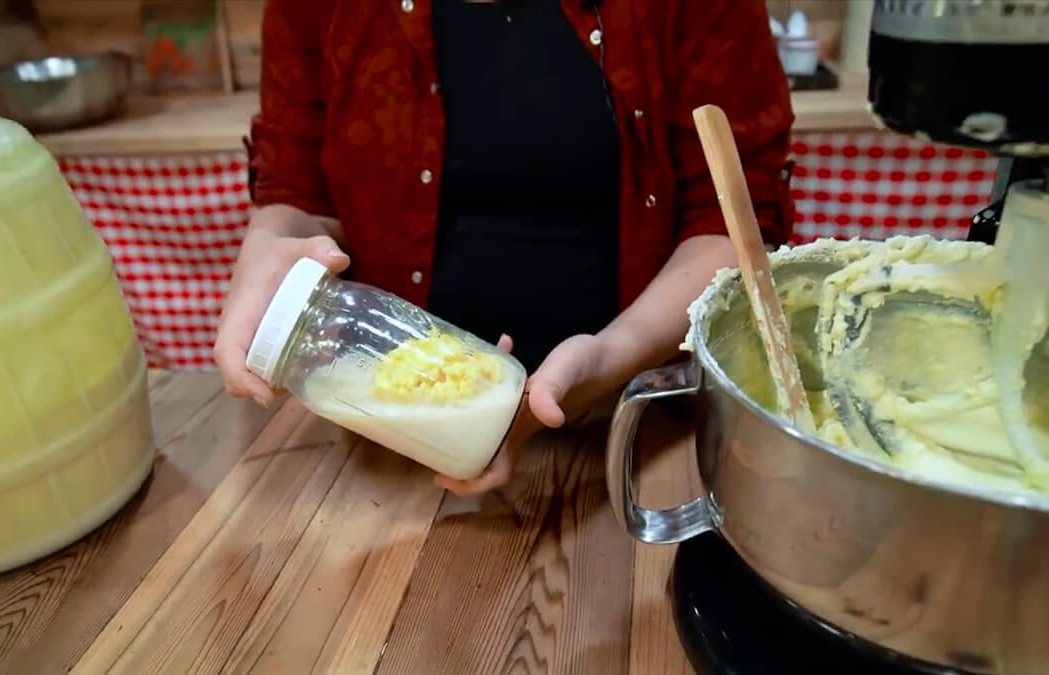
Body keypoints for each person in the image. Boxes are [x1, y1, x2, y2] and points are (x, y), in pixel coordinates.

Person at [214, 0, 795, 496]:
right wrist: (269, 248)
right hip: (388, 445)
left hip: (637, 435)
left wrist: (611, 356)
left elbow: (733, 219)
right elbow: (295, 188)